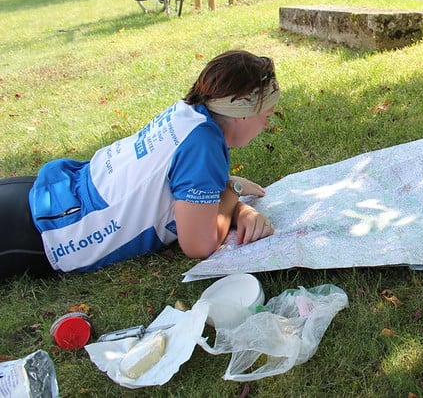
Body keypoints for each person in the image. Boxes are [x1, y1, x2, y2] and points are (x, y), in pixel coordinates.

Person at [0, 50, 279, 280]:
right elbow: (199, 244)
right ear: (242, 114)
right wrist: (234, 191)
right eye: (265, 114)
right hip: (42, 232)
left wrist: (237, 207)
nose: (267, 123)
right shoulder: (203, 147)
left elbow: (193, 192)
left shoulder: (191, 114)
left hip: (43, 193)